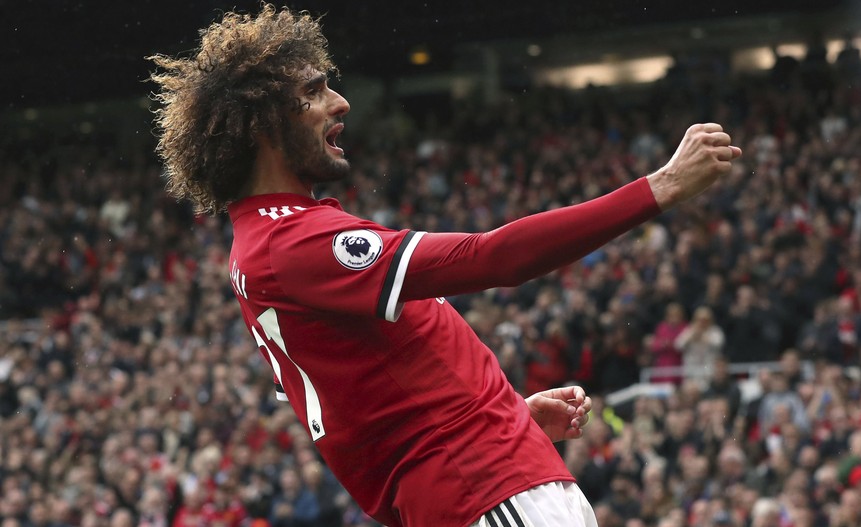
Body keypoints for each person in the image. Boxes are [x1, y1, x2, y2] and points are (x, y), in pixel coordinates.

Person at [147, 5, 742, 526]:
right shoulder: (291, 242)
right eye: (314, 90)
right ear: (261, 125)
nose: (340, 102)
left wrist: (507, 415)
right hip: (486, 491)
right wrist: (657, 188)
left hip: (484, 481)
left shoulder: (264, 242)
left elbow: (374, 403)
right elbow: (496, 258)